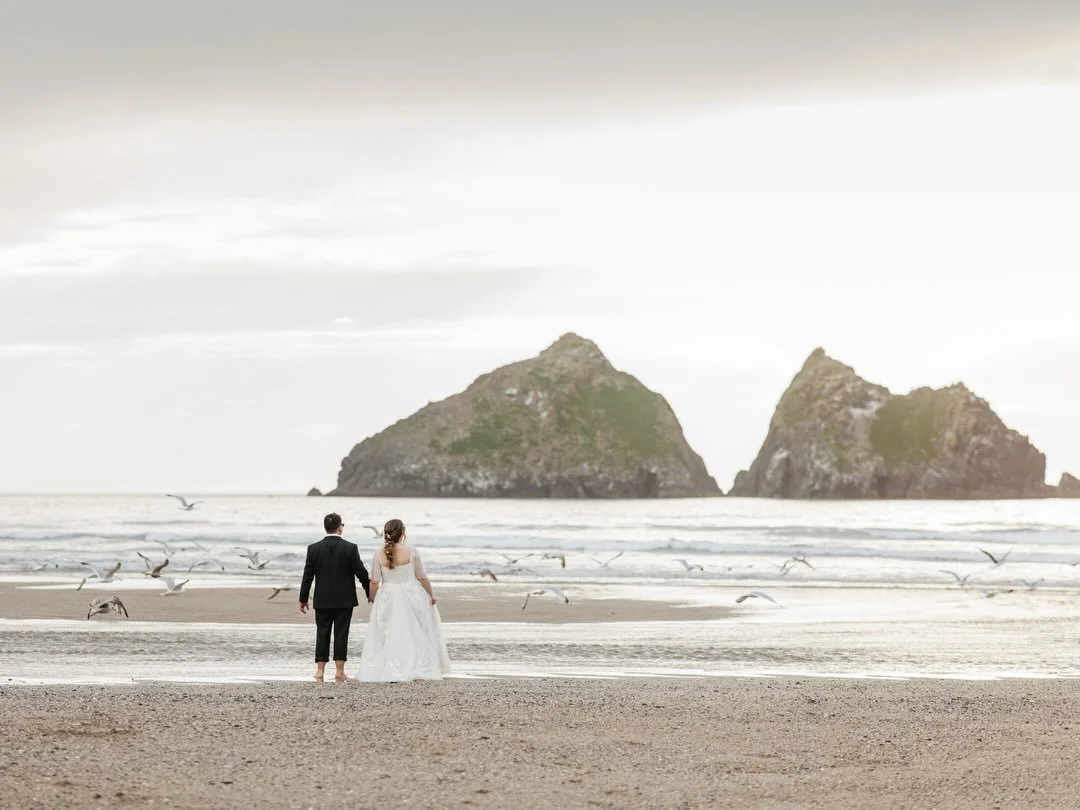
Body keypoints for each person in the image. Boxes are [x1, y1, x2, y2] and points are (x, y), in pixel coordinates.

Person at [358, 518, 450, 682]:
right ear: (402, 532)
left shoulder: (378, 553)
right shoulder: (411, 551)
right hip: (411, 594)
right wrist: (431, 594)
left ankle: (390, 665)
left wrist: (372, 597)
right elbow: (422, 577)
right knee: (415, 630)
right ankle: (415, 665)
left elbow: (374, 580)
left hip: (388, 595)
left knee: (388, 631)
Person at [298, 512, 371, 683]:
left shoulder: (313, 548)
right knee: (341, 633)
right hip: (345, 599)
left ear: (325, 527)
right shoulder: (350, 548)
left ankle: (320, 671)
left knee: (322, 632)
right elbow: (361, 572)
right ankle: (339, 672)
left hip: (322, 599)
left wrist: (303, 599)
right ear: (340, 528)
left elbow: (307, 576)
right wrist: (370, 592)